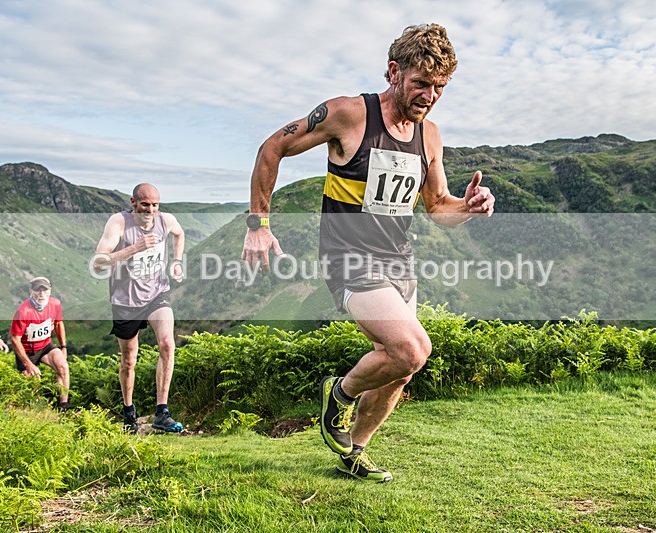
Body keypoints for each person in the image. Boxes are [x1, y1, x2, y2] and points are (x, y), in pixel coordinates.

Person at [241, 23, 495, 482]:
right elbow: (272, 147)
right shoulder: (347, 114)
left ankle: (354, 451)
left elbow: (438, 208)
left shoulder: (429, 136)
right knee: (413, 348)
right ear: (394, 72)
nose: (429, 96)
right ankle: (337, 395)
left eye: (440, 87)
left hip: (399, 259)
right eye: (421, 83)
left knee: (398, 368)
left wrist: (469, 208)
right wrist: (258, 223)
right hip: (349, 255)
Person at [93, 183, 185, 433]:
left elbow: (179, 234)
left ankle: (162, 412)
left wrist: (176, 262)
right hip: (125, 301)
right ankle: (129, 412)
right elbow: (99, 262)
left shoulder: (166, 220)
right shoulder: (119, 223)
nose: (150, 210)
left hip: (157, 294)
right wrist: (136, 248)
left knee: (167, 344)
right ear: (133, 202)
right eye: (145, 204)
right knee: (128, 361)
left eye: (155, 204)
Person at [9, 276, 71, 411]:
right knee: (34, 380)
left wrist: (63, 347)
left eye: (45, 290)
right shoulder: (23, 311)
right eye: (38, 290)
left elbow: (59, 324)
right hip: (27, 350)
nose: (41, 294)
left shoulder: (55, 304)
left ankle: (64, 407)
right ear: (31, 291)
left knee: (63, 367)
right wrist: (28, 364)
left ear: (50, 291)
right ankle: (36, 410)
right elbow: (14, 340)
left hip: (45, 345)